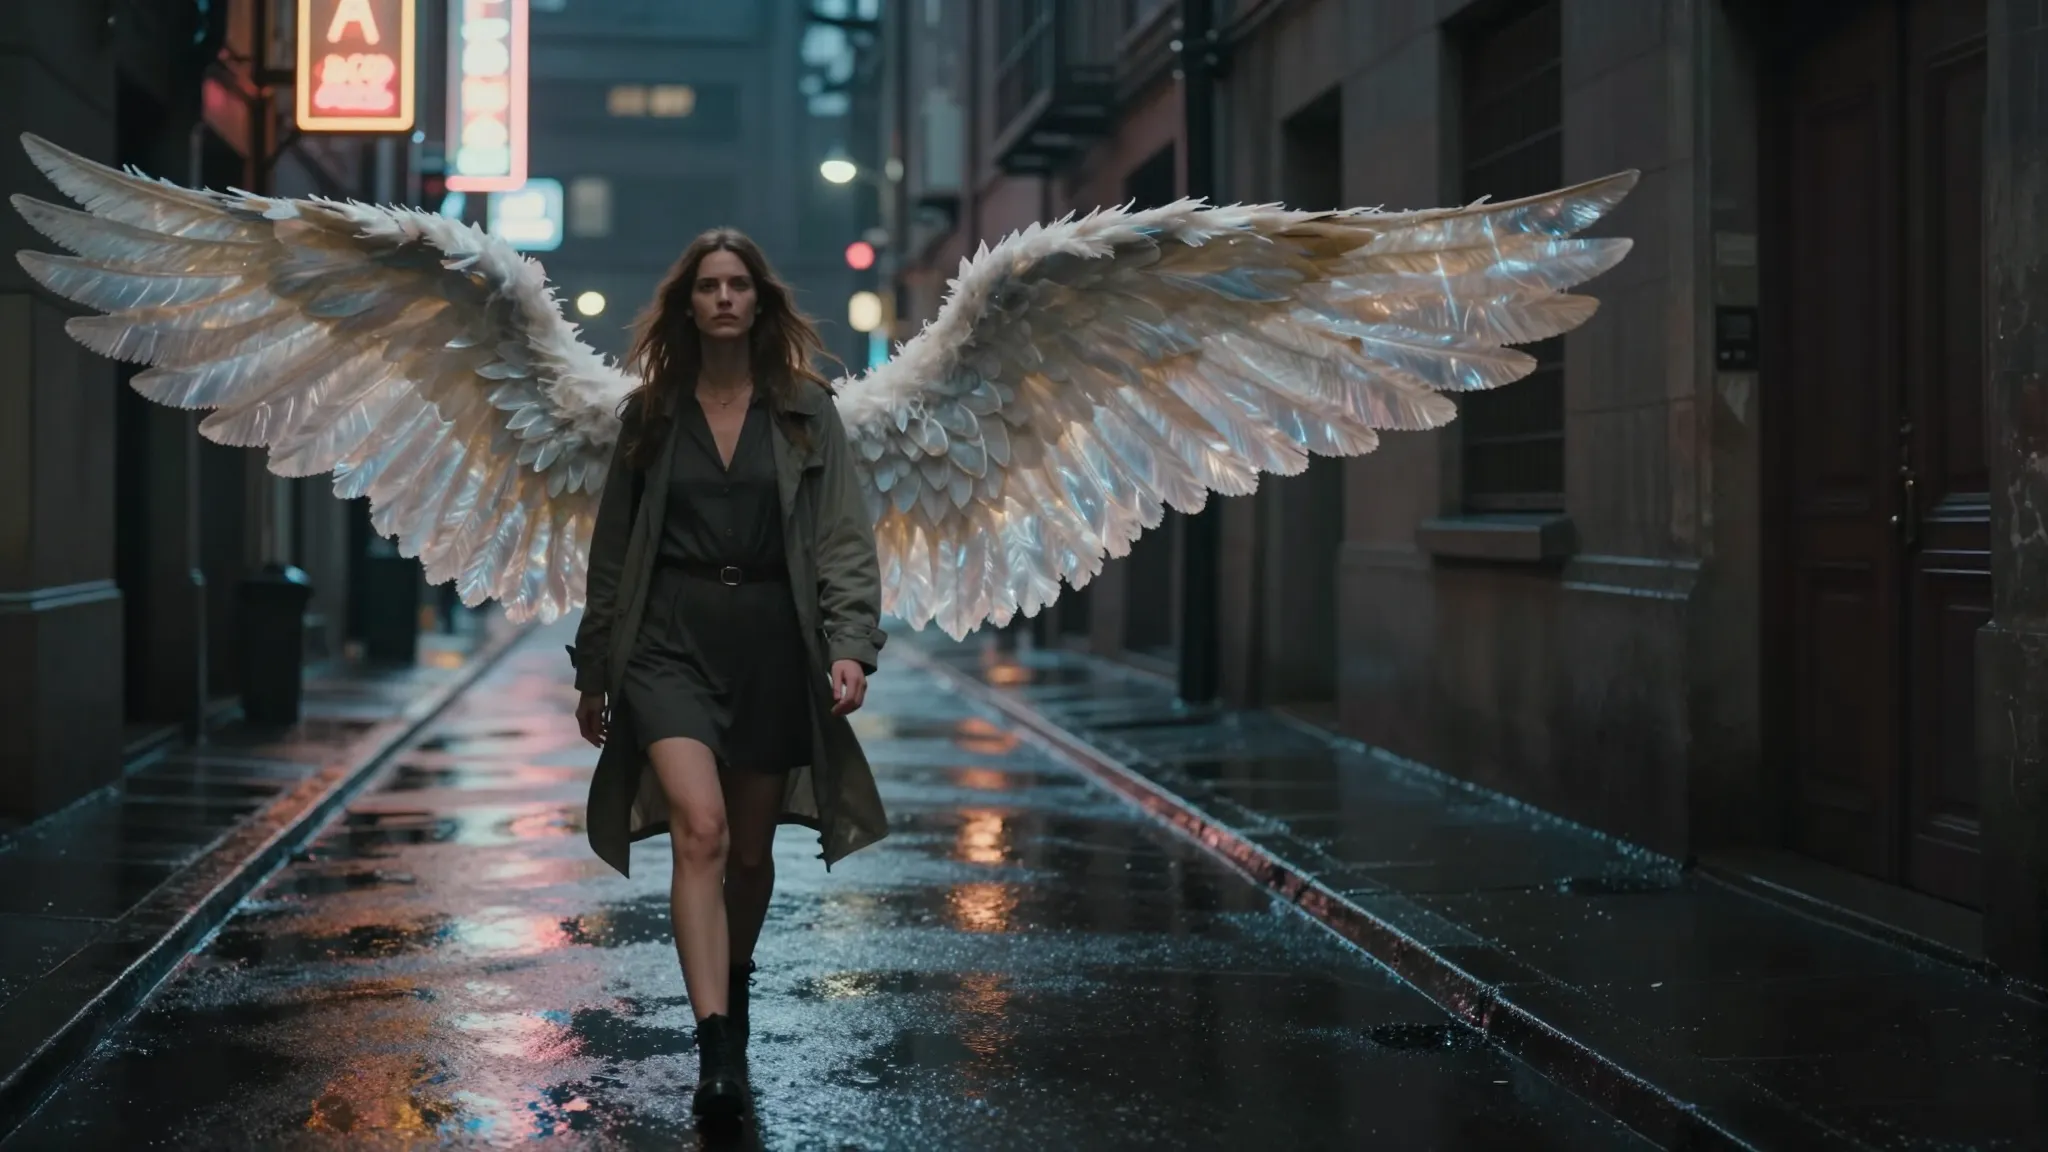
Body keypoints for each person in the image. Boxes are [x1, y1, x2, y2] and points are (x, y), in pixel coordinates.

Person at [566, 229, 891, 1125]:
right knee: (700, 831)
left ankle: (734, 993)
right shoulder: (650, 415)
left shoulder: (805, 410)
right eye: (707, 285)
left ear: (758, 301)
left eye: (736, 284)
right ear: (687, 304)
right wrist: (596, 669)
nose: (722, 298)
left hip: (770, 642)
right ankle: (714, 1050)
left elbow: (842, 537)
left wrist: (849, 643)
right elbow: (613, 552)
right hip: (667, 640)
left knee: (749, 854)